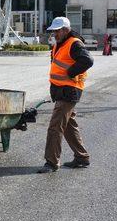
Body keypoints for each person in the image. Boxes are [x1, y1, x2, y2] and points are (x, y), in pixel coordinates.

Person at [38, 17, 94, 173]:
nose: (54, 33)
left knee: (55, 127)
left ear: (65, 30)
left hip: (69, 91)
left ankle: (51, 162)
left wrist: (71, 72)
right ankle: (82, 157)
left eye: (57, 30)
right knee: (69, 126)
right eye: (54, 31)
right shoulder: (60, 44)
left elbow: (87, 60)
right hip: (61, 90)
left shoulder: (74, 43)